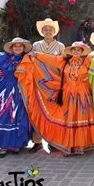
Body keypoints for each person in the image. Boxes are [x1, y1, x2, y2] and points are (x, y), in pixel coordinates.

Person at [17, 41, 94, 156]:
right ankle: (70, 145)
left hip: (83, 94)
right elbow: (51, 59)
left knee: (83, 117)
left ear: (82, 51)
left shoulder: (88, 60)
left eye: (78, 50)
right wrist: (36, 55)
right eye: (74, 50)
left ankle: (84, 144)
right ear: (71, 51)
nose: (76, 52)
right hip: (67, 94)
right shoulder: (64, 61)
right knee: (69, 119)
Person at [29, 18, 66, 153]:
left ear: (54, 31)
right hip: (39, 84)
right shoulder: (36, 46)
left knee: (54, 113)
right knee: (38, 112)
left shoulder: (60, 46)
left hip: (55, 84)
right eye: (46, 29)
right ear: (42, 31)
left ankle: (54, 141)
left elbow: (63, 65)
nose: (48, 31)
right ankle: (37, 141)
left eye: (50, 29)